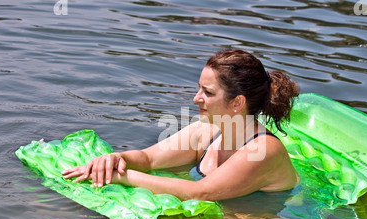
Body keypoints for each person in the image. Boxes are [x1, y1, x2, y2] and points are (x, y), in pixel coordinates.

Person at [62, 49, 300, 201]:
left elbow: (201, 192)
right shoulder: (206, 129)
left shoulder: (263, 151)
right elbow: (149, 159)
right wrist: (115, 159)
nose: (196, 98)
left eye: (207, 92)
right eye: (199, 88)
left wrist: (121, 177)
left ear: (237, 102)